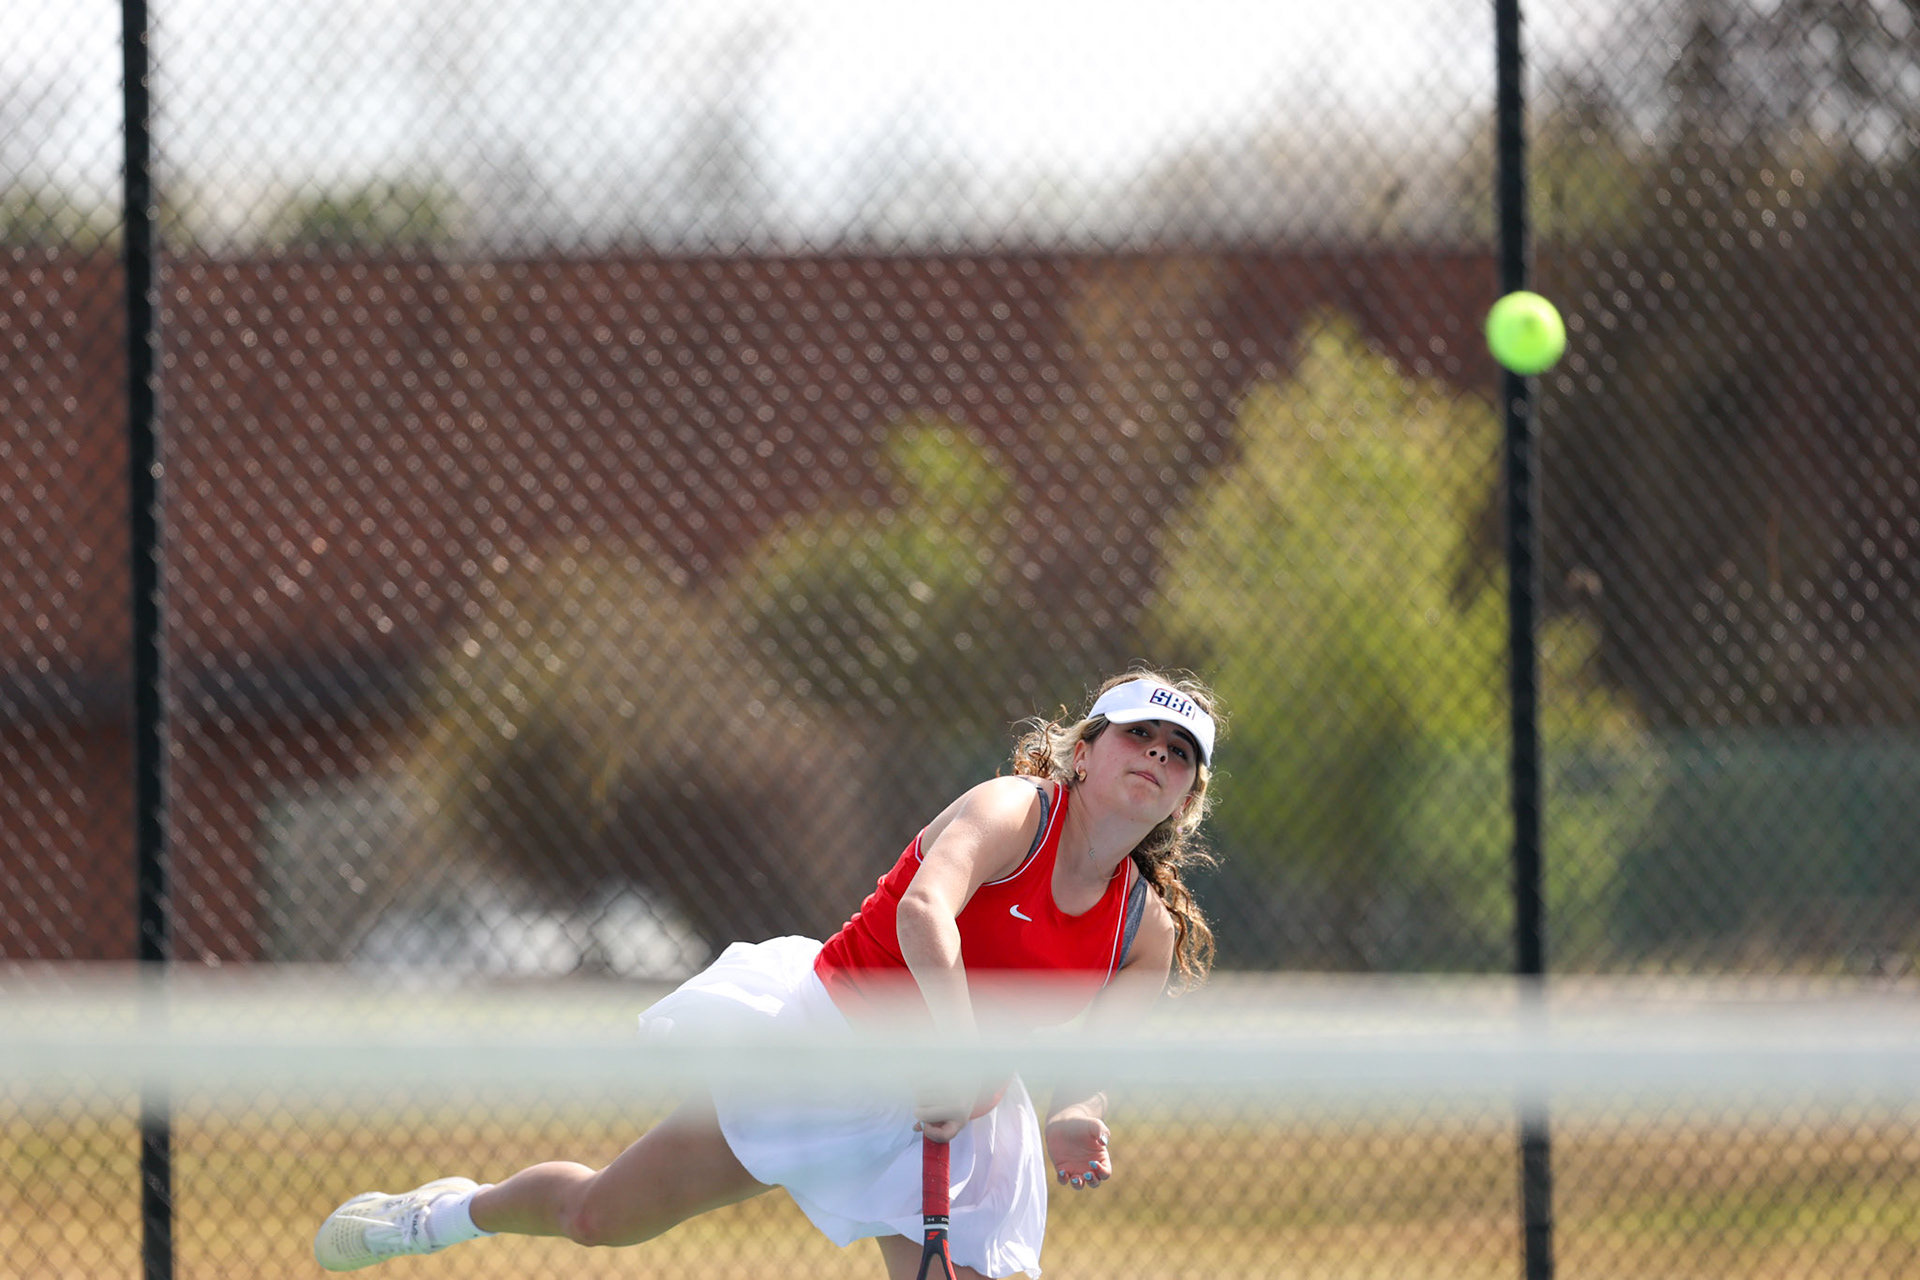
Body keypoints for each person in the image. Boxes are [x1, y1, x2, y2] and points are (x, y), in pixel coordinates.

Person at [315, 669, 1223, 1279]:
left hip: (959, 1119)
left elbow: (1097, 1063)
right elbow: (923, 911)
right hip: (824, 1056)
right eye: (1141, 735)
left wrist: (1073, 1117)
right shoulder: (1011, 809)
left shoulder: (1146, 933)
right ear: (1086, 748)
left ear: (1189, 794)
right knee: (603, 1217)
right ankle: (443, 1216)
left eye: (1179, 754)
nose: (1157, 757)